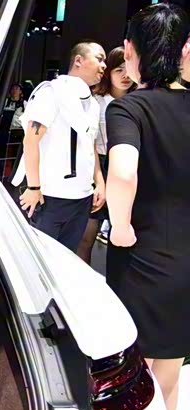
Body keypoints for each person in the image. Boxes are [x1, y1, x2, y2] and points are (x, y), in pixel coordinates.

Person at [105, 2, 190, 410]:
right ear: (184, 49)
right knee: (170, 367)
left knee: (128, 373)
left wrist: (120, 227)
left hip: (142, 258)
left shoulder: (128, 108)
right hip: (186, 260)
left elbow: (123, 172)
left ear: (131, 50)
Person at [12, 41, 107, 253]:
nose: (104, 66)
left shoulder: (92, 104)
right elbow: (31, 140)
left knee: (66, 257)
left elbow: (89, 145)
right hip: (50, 195)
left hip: (82, 197)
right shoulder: (51, 92)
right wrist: (33, 187)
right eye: (99, 59)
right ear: (79, 60)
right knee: (39, 257)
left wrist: (99, 182)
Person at [76, 47, 134, 264]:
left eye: (128, 69)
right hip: (98, 165)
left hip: (128, 166)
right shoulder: (96, 102)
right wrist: (98, 178)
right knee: (87, 236)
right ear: (109, 72)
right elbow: (89, 142)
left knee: (123, 234)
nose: (125, 75)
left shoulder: (138, 101)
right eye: (119, 70)